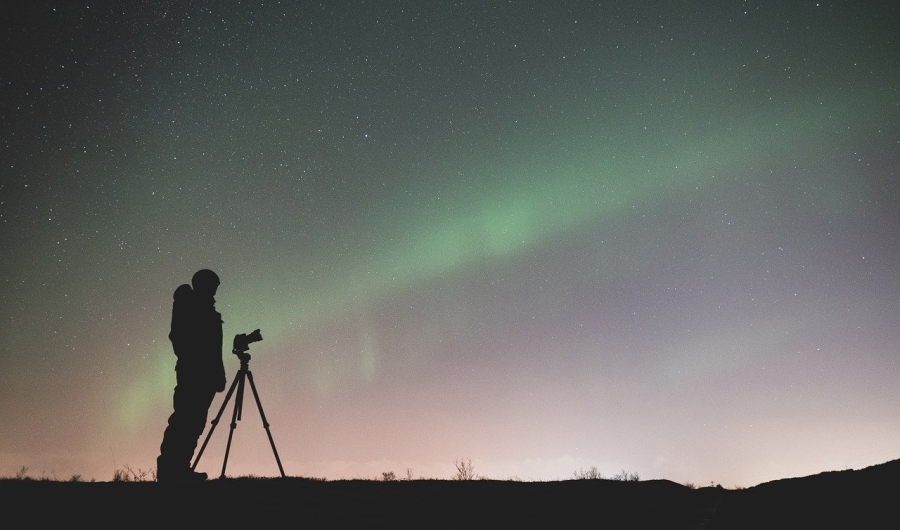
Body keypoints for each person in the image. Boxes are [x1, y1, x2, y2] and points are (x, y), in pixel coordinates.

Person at [157, 269, 227, 482]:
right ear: (204, 284)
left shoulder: (204, 307)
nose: (216, 289)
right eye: (213, 284)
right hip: (194, 373)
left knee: (194, 422)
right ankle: (171, 471)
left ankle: (180, 468)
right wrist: (196, 361)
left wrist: (218, 372)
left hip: (204, 374)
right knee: (185, 420)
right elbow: (179, 337)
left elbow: (215, 348)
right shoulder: (190, 304)